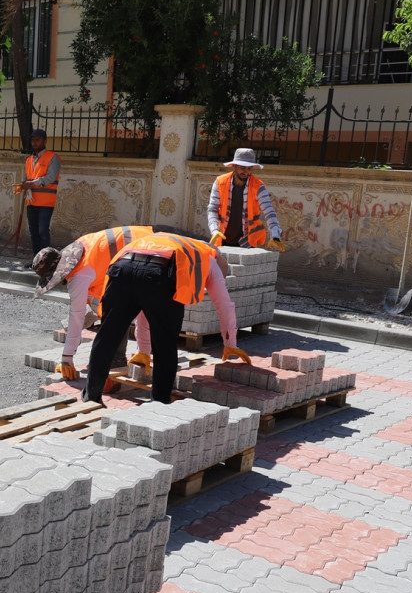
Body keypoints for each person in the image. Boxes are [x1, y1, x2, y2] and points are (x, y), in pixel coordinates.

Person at [82, 232, 227, 406]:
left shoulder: (170, 241)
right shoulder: (207, 258)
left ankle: (91, 395)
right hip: (159, 275)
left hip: (122, 269)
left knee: (107, 337)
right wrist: (231, 343)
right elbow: (225, 305)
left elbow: (144, 312)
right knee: (165, 345)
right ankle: (159, 402)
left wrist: (143, 350)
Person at [33, 225, 154, 380]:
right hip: (143, 244)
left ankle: (124, 357)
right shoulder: (79, 250)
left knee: (129, 305)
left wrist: (67, 358)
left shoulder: (79, 276)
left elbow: (76, 316)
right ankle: (133, 354)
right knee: (117, 308)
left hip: (147, 249)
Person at [207, 148, 283, 251]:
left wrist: (275, 235)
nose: (246, 172)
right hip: (222, 239)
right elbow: (212, 209)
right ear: (234, 166)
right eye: (242, 168)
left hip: (247, 242)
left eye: (249, 168)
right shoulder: (220, 182)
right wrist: (214, 230)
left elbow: (269, 211)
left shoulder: (259, 187)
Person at [13, 129, 61, 256]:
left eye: (38, 140)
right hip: (31, 201)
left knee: (42, 231)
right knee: (34, 231)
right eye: (33, 140)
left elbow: (50, 178)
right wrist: (24, 184)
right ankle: (36, 260)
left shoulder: (53, 157)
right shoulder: (29, 160)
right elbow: (30, 177)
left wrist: (32, 183)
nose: (35, 143)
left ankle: (45, 262)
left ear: (45, 141)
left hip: (46, 202)